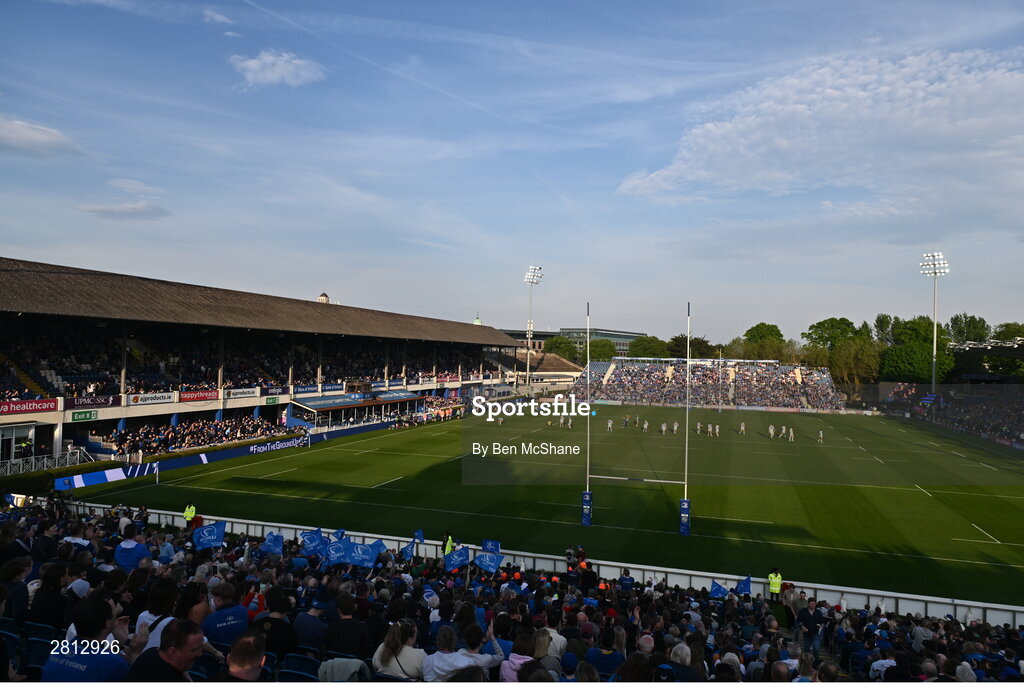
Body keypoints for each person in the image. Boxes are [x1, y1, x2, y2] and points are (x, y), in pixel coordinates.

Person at [41, 595, 148, 682]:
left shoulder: (58, 650)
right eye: (113, 614)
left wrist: (118, 642)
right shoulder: (113, 663)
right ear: (107, 623)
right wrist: (135, 653)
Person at [127, 618, 204, 681]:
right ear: (172, 652)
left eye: (201, 646)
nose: (200, 653)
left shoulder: (150, 653)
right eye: (194, 650)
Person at [251, 586, 298, 659]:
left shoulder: (257, 622)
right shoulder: (289, 628)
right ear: (285, 611)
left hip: (255, 660)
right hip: (276, 665)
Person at [202, 580, 249, 646]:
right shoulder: (243, 611)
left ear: (219, 600)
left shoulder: (209, 620)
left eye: (214, 598)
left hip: (218, 654)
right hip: (239, 651)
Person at [325, 594, 369, 659]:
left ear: (338, 609)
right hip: (354, 666)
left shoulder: (331, 627)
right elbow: (365, 651)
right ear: (354, 608)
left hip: (334, 664)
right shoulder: (362, 628)